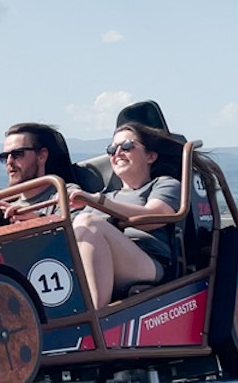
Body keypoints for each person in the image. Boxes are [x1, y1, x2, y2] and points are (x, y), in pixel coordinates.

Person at [66, 122, 182, 309]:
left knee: (88, 223)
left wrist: (99, 202)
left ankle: (93, 317)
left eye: (127, 146)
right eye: (112, 149)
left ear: (150, 156)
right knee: (79, 226)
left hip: (148, 261)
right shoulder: (107, 197)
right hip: (105, 259)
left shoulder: (163, 185)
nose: (117, 153)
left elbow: (155, 215)